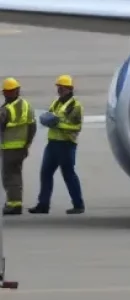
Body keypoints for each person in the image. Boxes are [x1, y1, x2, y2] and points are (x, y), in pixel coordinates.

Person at [28, 75, 84, 215]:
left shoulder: (75, 106)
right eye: (58, 87)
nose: (59, 90)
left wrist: (57, 124)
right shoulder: (56, 103)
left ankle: (78, 205)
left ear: (69, 89)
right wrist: (46, 120)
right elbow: (50, 116)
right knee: (45, 173)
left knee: (68, 175)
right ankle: (43, 205)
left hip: (66, 144)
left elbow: (76, 127)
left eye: (62, 88)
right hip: (53, 143)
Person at [0, 78, 36, 216]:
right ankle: (15, 202)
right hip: (21, 148)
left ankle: (14, 205)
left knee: (10, 177)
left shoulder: (6, 110)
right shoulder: (26, 105)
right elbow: (32, 127)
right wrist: (27, 145)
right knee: (16, 175)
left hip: (9, 149)